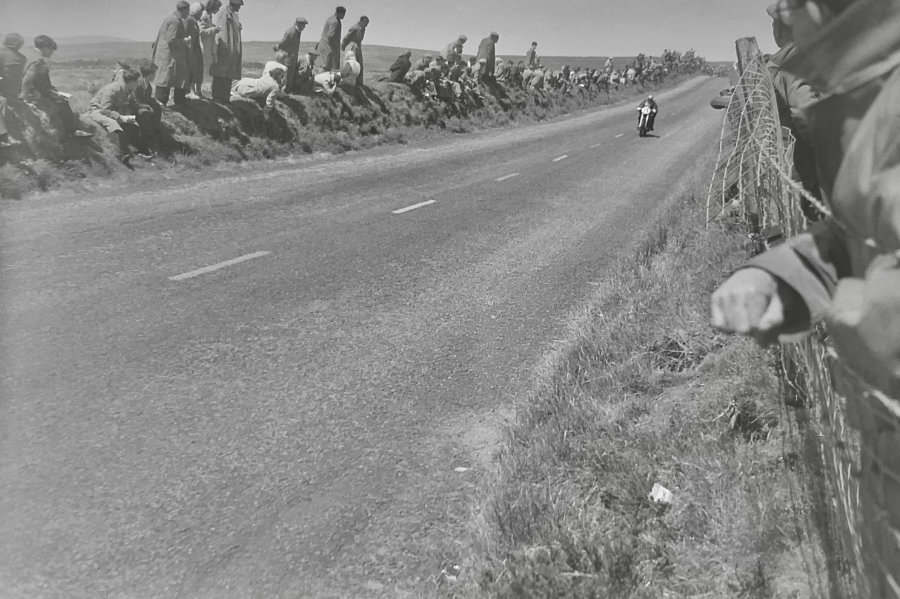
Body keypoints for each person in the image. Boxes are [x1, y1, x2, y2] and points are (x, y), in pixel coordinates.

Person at [712, 2, 900, 592]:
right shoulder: (859, 103)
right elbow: (853, 239)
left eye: (791, 7)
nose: (781, 17)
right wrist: (778, 280)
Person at [765, 2, 822, 221]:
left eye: (775, 24)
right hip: (814, 164)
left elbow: (804, 111)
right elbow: (805, 110)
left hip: (807, 162)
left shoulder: (788, 60)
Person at [20, 35, 92, 139]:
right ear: (45, 47)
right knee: (63, 103)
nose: (51, 53)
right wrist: (30, 95)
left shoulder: (27, 56)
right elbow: (28, 80)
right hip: (33, 94)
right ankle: (71, 132)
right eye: (51, 50)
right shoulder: (38, 61)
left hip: (21, 91)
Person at [83, 68, 151, 160]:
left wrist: (142, 107)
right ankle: (121, 154)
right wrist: (118, 116)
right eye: (136, 81)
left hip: (114, 112)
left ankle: (139, 151)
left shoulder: (128, 90)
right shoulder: (113, 89)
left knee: (133, 124)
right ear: (131, 82)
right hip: (97, 111)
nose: (137, 84)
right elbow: (105, 109)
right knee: (113, 124)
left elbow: (133, 103)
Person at [152, 0, 191, 106]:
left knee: (166, 78)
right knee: (165, 79)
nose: (188, 13)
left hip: (166, 55)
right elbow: (171, 40)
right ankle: (162, 103)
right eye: (187, 11)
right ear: (183, 10)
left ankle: (163, 103)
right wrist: (184, 41)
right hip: (168, 56)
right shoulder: (175, 21)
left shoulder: (170, 18)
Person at [210, 0, 243, 103]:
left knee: (228, 74)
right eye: (238, 6)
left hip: (231, 51)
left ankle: (225, 97)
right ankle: (218, 98)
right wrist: (223, 49)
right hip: (224, 49)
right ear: (233, 4)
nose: (239, 8)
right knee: (220, 74)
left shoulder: (233, 15)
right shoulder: (223, 13)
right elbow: (221, 32)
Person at [0, 33, 28, 147]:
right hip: (10, 92)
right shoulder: (21, 58)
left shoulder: (19, 57)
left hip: (10, 92)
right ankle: (4, 137)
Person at [277, 17, 308, 93]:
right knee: (286, 77)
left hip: (292, 58)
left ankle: (288, 92)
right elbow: (283, 43)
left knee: (290, 76)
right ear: (298, 24)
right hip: (288, 58)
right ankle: (283, 93)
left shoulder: (298, 32)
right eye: (303, 25)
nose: (304, 27)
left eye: (304, 26)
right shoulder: (291, 32)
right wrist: (278, 49)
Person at [199, 0, 222, 91]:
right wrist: (214, 29)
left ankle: (200, 90)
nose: (219, 9)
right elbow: (201, 32)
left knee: (205, 70)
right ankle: (198, 90)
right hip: (204, 47)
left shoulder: (209, 15)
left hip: (207, 47)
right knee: (203, 69)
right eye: (217, 7)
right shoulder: (205, 15)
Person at [341, 15, 369, 86]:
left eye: (367, 23)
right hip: (352, 46)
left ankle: (359, 82)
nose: (366, 25)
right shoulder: (354, 28)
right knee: (351, 63)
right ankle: (347, 82)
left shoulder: (363, 29)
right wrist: (343, 46)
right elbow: (346, 38)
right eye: (366, 22)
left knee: (359, 64)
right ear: (361, 21)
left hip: (358, 46)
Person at [317, 6, 346, 72]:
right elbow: (330, 36)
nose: (344, 16)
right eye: (343, 14)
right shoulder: (335, 22)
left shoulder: (330, 19)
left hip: (324, 46)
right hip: (329, 48)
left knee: (324, 67)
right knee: (327, 68)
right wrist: (334, 49)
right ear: (339, 13)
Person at [186, 3, 205, 98]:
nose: (201, 15)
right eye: (200, 12)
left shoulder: (194, 22)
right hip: (191, 49)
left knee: (197, 70)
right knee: (192, 70)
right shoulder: (189, 21)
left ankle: (197, 91)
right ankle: (191, 91)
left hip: (196, 49)